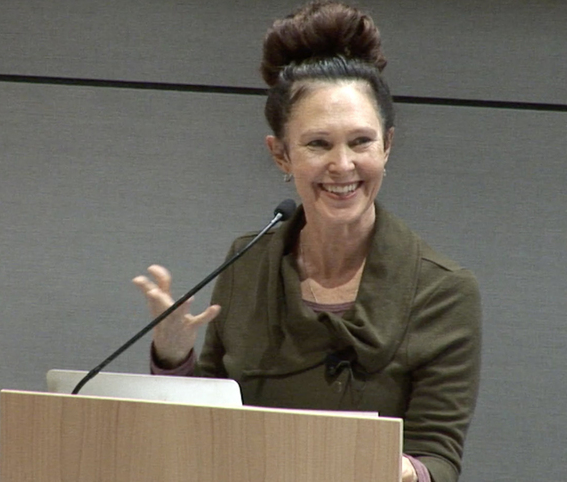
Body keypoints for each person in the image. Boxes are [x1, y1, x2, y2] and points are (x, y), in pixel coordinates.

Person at [133, 2, 481, 481]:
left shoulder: (444, 291)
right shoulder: (246, 261)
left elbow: (439, 456)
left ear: (388, 146)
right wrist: (173, 355)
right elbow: (205, 422)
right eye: (318, 144)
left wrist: (400, 471)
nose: (343, 166)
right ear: (280, 154)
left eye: (361, 142)